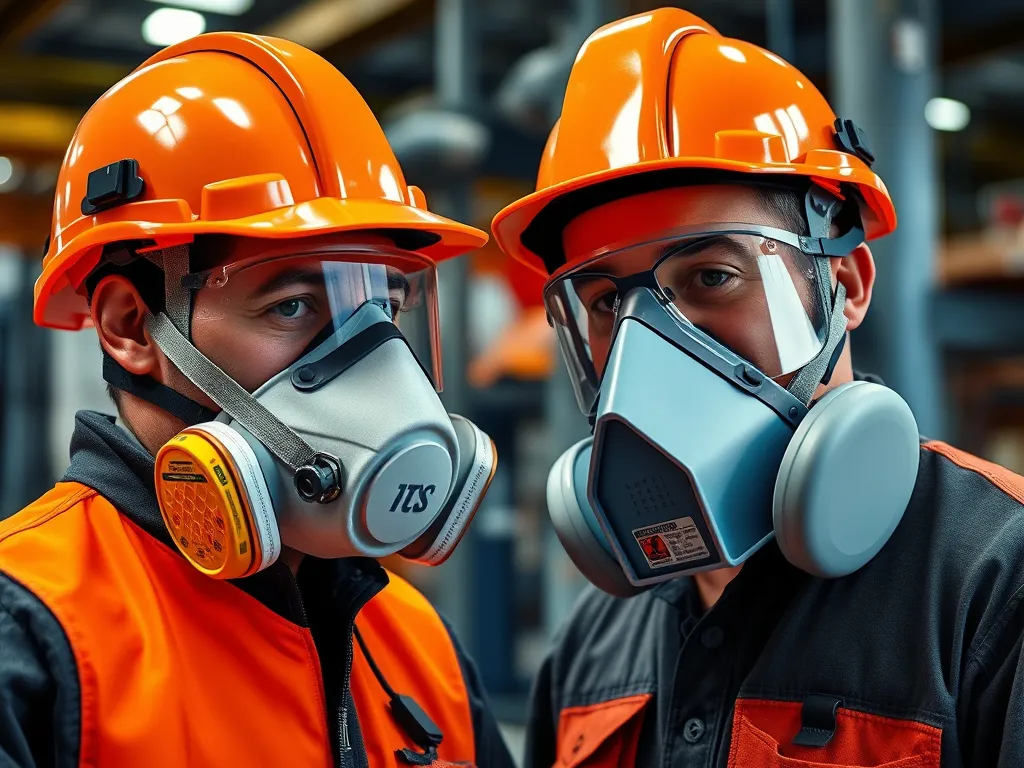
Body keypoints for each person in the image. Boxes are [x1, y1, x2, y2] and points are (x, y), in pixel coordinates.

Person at [492, 8, 1024, 766]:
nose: (649, 346)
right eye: (607, 302)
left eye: (712, 276)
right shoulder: (593, 643)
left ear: (844, 281)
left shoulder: (996, 585)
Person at [0, 32, 516, 768]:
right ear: (129, 326)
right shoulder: (31, 629)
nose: (375, 365)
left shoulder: (412, 638)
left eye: (388, 305)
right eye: (293, 307)